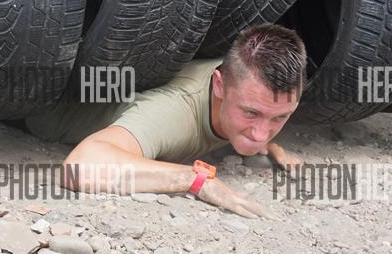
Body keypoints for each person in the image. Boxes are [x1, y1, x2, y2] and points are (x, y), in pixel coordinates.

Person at [23, 24, 307, 218]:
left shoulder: (247, 80)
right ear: (219, 85)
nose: (261, 134)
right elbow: (79, 168)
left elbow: (263, 120)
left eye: (280, 117)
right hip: (35, 107)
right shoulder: (172, 112)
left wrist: (271, 148)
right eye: (250, 114)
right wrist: (196, 180)